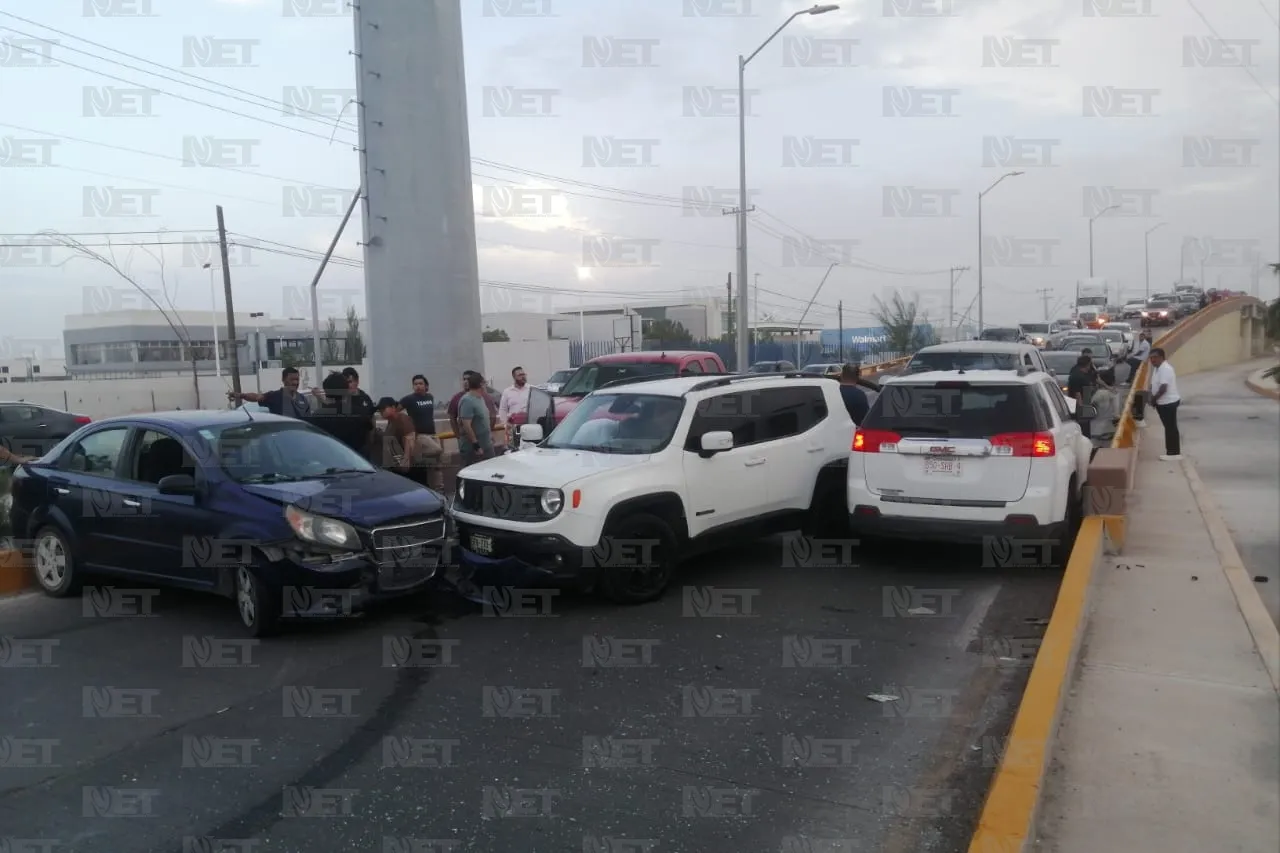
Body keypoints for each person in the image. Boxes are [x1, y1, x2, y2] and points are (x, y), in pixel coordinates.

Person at [306, 371, 373, 455]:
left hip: (330, 463)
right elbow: (368, 439)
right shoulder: (360, 413)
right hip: (358, 462)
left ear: (326, 392)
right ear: (346, 389)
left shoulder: (317, 417)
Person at [399, 375, 444, 489]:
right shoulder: (408, 399)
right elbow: (396, 411)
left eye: (420, 383)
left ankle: (438, 488)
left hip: (432, 434)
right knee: (437, 450)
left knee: (436, 465)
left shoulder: (430, 397)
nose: (418, 386)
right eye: (415, 384)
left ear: (426, 386)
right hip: (420, 436)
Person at [228, 367, 311, 418]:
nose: (295, 383)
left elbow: (308, 420)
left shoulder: (303, 399)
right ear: (283, 380)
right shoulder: (274, 396)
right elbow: (257, 397)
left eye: (297, 379)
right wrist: (239, 395)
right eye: (292, 379)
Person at [1147, 348, 1181, 460]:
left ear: (1162, 357)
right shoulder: (1157, 368)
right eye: (1151, 358)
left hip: (1168, 402)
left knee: (1170, 428)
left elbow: (1163, 388)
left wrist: (1153, 400)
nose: (1152, 360)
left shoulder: (1165, 369)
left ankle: (1173, 453)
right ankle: (1172, 452)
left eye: (1155, 357)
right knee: (1169, 427)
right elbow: (1154, 384)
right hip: (1162, 402)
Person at [456, 372, 494, 467]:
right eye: (485, 382)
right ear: (481, 384)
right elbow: (466, 425)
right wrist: (476, 445)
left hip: (486, 444)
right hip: (475, 449)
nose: (486, 384)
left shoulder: (480, 398)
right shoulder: (467, 400)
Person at [1066, 353, 1096, 440]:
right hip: (1081, 404)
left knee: (1086, 426)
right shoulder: (1077, 376)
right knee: (1083, 427)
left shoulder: (1080, 373)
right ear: (1087, 364)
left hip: (1085, 401)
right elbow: (1077, 393)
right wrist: (1082, 407)